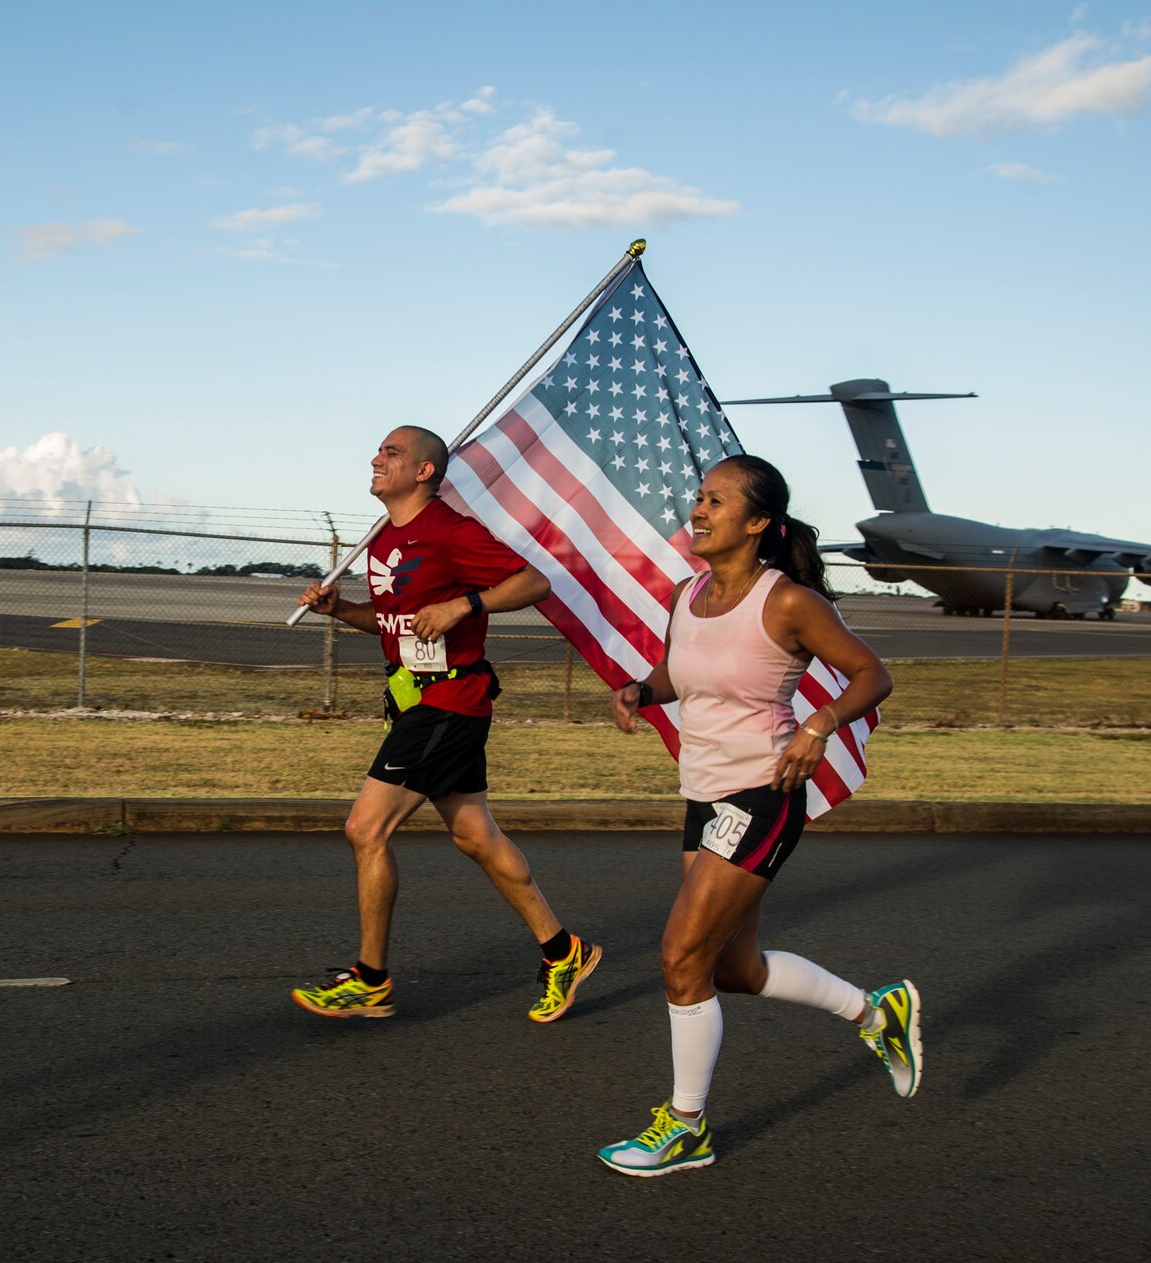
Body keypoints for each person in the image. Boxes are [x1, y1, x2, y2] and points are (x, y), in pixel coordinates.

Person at [594, 454, 915, 1178]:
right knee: (730, 966)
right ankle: (875, 1013)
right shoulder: (689, 593)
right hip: (703, 792)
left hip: (763, 791)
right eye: (698, 497)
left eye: (715, 500)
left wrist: (820, 723)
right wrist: (640, 691)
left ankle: (685, 1127)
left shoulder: (789, 602)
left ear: (759, 521)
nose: (697, 510)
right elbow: (682, 671)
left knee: (679, 956)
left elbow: (874, 674)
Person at [289, 426, 601, 1023]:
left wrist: (466, 604)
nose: (376, 459)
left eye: (391, 453)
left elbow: (535, 580)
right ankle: (565, 952)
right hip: (415, 701)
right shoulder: (385, 537)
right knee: (474, 836)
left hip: (450, 701)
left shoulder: (449, 529)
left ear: (425, 471)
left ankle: (370, 979)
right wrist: (341, 610)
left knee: (365, 828)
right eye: (379, 450)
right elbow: (394, 624)